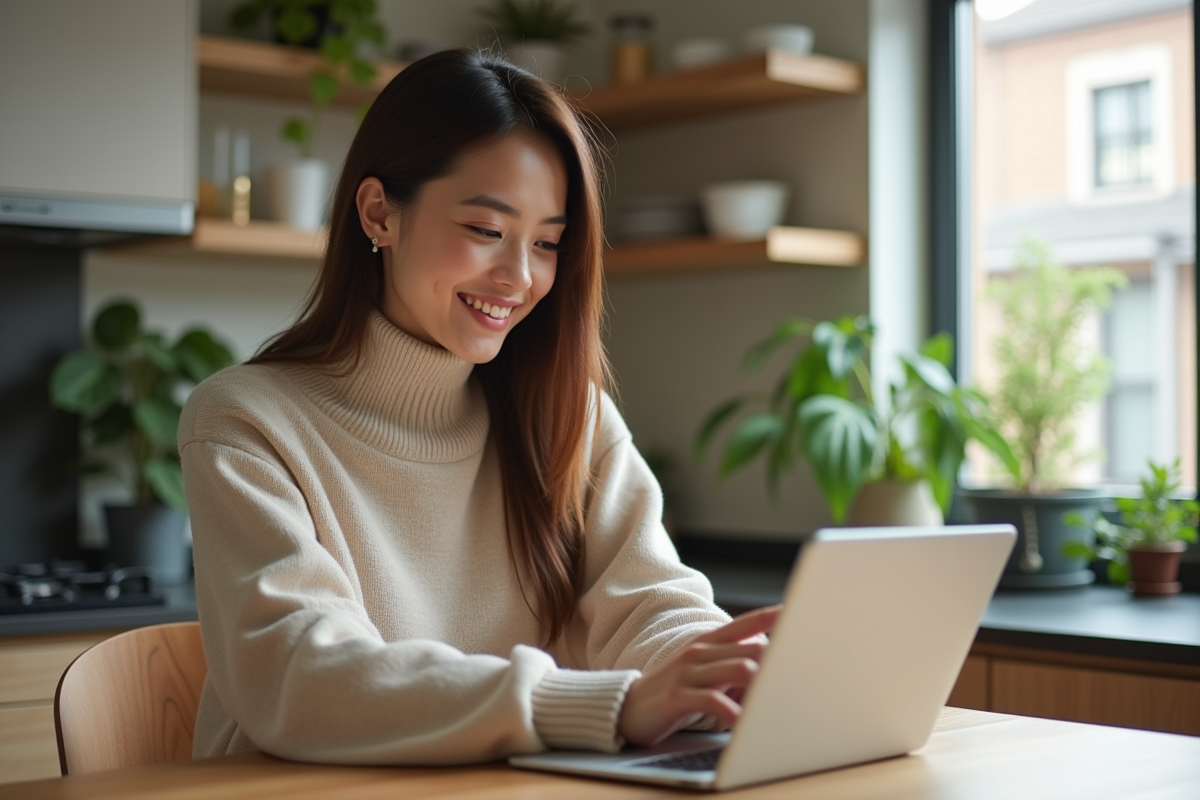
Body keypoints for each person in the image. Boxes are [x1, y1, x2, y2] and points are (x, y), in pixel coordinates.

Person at [180, 49, 778, 766]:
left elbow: (654, 604)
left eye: (548, 243)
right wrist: (605, 705)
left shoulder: (570, 415)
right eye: (486, 231)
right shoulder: (245, 422)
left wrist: (719, 677)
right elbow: (303, 673)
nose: (520, 277)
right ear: (379, 214)